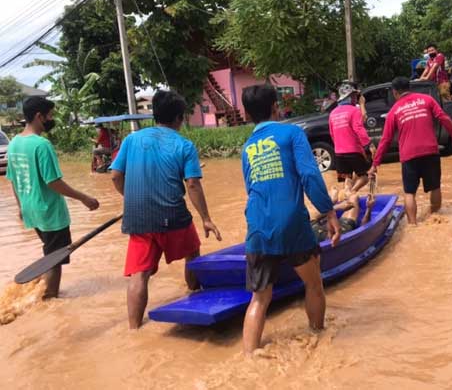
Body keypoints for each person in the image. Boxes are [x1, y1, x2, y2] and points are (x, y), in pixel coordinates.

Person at [240, 84, 340, 355]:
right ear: (275, 107)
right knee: (313, 284)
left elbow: (252, 189)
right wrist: (329, 211)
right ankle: (317, 339)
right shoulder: (292, 133)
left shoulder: (247, 148)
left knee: (259, 299)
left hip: (258, 229)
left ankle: (249, 358)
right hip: (293, 224)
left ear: (247, 115)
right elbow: (309, 176)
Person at [110, 90, 222, 329]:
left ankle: (134, 330)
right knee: (193, 255)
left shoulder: (131, 140)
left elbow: (116, 176)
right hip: (173, 215)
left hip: (138, 218)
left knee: (139, 275)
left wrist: (130, 200)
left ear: (155, 115)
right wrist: (206, 218)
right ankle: (194, 296)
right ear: (179, 118)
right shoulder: (184, 145)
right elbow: (192, 184)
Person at [6, 97, 100, 299]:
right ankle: (50, 299)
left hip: (31, 211)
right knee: (55, 259)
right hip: (49, 212)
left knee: (50, 253)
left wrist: (20, 207)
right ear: (39, 116)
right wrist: (84, 198)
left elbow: (12, 180)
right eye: (50, 115)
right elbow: (53, 182)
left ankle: (43, 291)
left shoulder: (14, 143)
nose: (52, 119)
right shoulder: (42, 145)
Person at [370, 77, 452, 225]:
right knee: (435, 187)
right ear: (409, 88)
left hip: (408, 156)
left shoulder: (394, 110)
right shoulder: (427, 100)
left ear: (395, 92)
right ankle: (435, 219)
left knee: (409, 193)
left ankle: (413, 226)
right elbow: (444, 118)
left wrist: (375, 164)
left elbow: (386, 140)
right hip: (430, 151)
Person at [329, 81, 374, 193]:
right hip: (354, 151)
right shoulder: (354, 110)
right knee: (364, 177)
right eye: (354, 96)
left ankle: (346, 196)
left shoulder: (332, 113)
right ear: (349, 97)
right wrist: (369, 144)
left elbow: (332, 134)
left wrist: (339, 147)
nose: (355, 98)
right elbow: (359, 129)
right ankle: (351, 193)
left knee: (348, 178)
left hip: (339, 152)